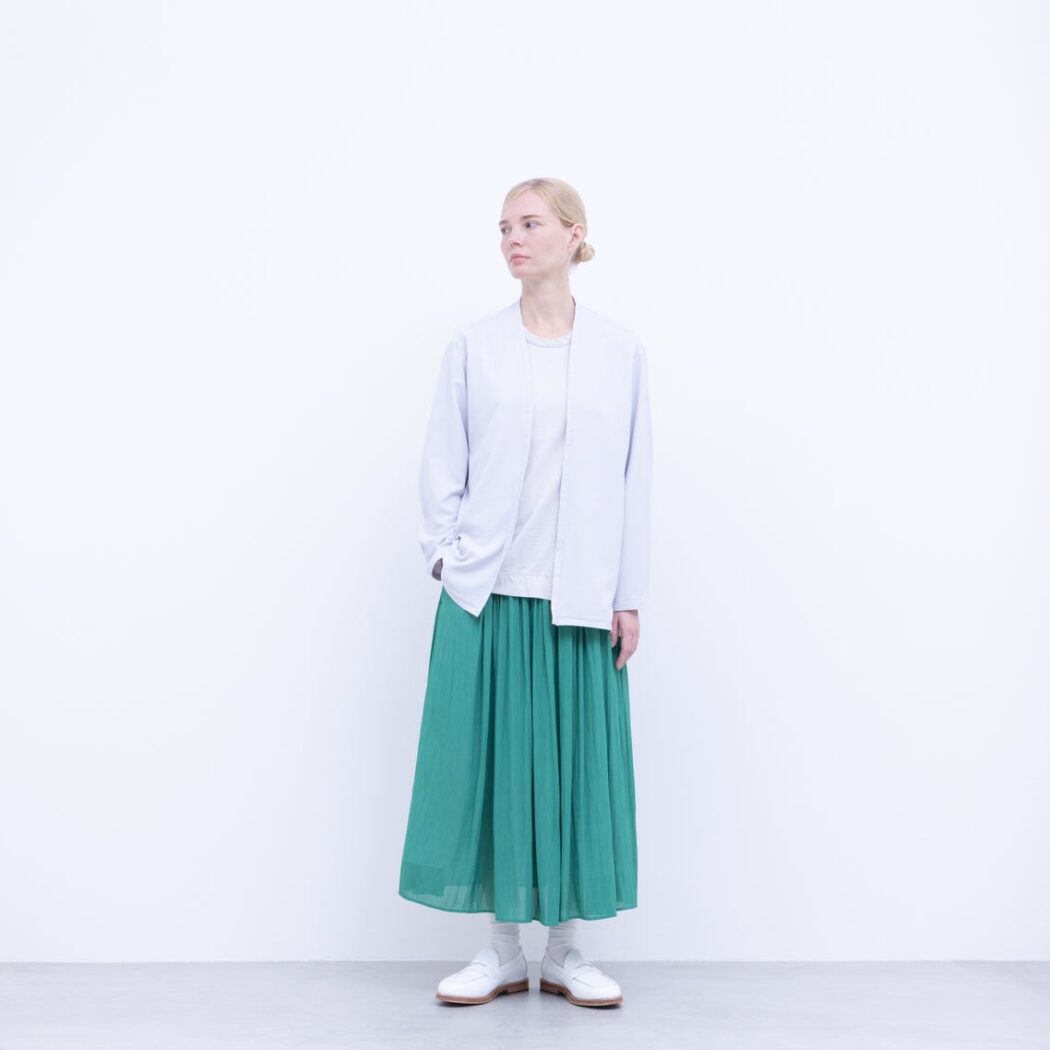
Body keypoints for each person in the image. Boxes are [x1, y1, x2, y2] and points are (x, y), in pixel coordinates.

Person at [398, 177, 653, 1008]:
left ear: (574, 235)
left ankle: (569, 952)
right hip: (490, 592)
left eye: (530, 223)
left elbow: (635, 478)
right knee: (494, 770)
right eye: (504, 226)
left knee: (576, 773)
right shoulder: (474, 346)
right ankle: (504, 951)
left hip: (579, 595)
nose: (512, 237)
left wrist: (627, 594)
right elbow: (444, 462)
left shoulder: (619, 351)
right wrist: (449, 559)